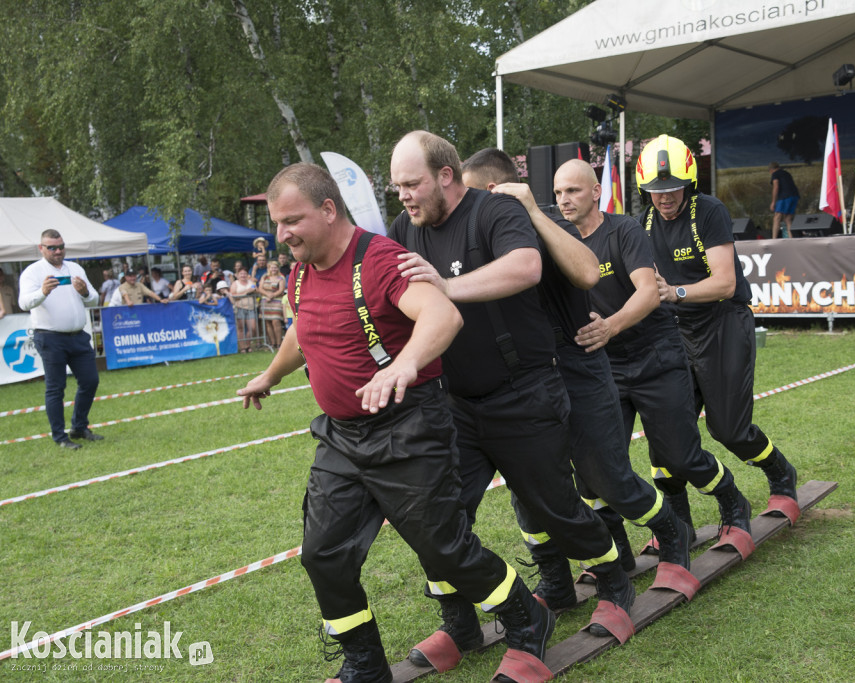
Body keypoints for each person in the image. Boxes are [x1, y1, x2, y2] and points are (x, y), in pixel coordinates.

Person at [237, 162, 552, 683]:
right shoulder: (300, 272)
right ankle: (364, 663)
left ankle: (527, 620)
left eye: (292, 219)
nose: (282, 233)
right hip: (340, 437)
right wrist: (269, 375)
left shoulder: (381, 260)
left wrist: (406, 364)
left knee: (445, 549)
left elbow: (442, 315)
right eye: (276, 222)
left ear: (329, 209)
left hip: (407, 427)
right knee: (323, 554)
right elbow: (303, 331)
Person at [390, 131, 636, 670]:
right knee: (437, 517)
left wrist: (446, 288)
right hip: (453, 403)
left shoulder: (494, 212)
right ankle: (459, 625)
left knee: (557, 509)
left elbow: (526, 266)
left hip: (524, 393)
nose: (404, 196)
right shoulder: (404, 229)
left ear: (446, 176)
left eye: (412, 184)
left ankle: (617, 584)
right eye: (397, 187)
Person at [461, 148, 694, 606]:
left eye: (468, 195)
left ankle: (674, 538)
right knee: (528, 492)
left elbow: (587, 270)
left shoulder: (551, 225)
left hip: (579, 369)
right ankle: (557, 582)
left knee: (607, 478)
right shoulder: (473, 236)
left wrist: (531, 209)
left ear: (494, 190)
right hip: (527, 381)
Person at [552, 158, 755, 553]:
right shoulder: (560, 241)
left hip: (655, 358)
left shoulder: (624, 229)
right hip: (605, 367)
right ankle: (621, 553)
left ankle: (733, 501)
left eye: (573, 190)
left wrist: (610, 326)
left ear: (596, 192)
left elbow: (649, 292)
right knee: (595, 467)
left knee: (681, 457)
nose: (564, 200)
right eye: (558, 192)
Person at [641, 136, 799, 524]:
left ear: (689, 182)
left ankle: (781, 474)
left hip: (723, 323)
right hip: (676, 331)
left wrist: (674, 292)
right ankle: (678, 524)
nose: (664, 198)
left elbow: (725, 283)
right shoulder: (641, 223)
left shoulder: (708, 211)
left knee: (729, 429)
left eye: (672, 188)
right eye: (655, 191)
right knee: (666, 432)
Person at [18, 230, 103, 450]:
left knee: (90, 381)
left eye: (61, 246)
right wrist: (42, 292)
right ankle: (60, 436)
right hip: (50, 337)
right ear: (41, 248)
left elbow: (93, 299)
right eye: (52, 247)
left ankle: (79, 426)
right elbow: (24, 303)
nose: (58, 251)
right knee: (56, 388)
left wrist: (85, 292)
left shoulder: (75, 268)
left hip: (78, 336)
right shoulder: (32, 272)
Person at [229, 269, 258, 352]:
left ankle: (248, 345)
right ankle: (242, 347)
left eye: (245, 273)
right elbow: (233, 295)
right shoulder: (235, 283)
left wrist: (254, 290)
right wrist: (246, 292)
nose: (243, 275)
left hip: (250, 308)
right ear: (238, 275)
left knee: (252, 327)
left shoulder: (251, 283)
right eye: (241, 274)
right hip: (239, 307)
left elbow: (256, 290)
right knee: (241, 328)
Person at [769, 161, 800, 239]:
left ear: (771, 170)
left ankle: (774, 239)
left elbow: (776, 187)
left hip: (785, 197)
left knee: (777, 217)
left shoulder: (775, 174)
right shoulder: (786, 173)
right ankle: (791, 238)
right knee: (788, 218)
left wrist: (773, 202)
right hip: (794, 196)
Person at [259, 261, 286, 350]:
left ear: (278, 268)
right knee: (268, 323)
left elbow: (281, 290)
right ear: (269, 268)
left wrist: (272, 296)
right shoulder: (264, 276)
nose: (273, 269)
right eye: (271, 267)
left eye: (275, 267)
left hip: (277, 301)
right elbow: (260, 288)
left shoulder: (281, 278)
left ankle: (279, 343)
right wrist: (267, 295)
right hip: (265, 301)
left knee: (276, 321)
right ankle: (272, 343)